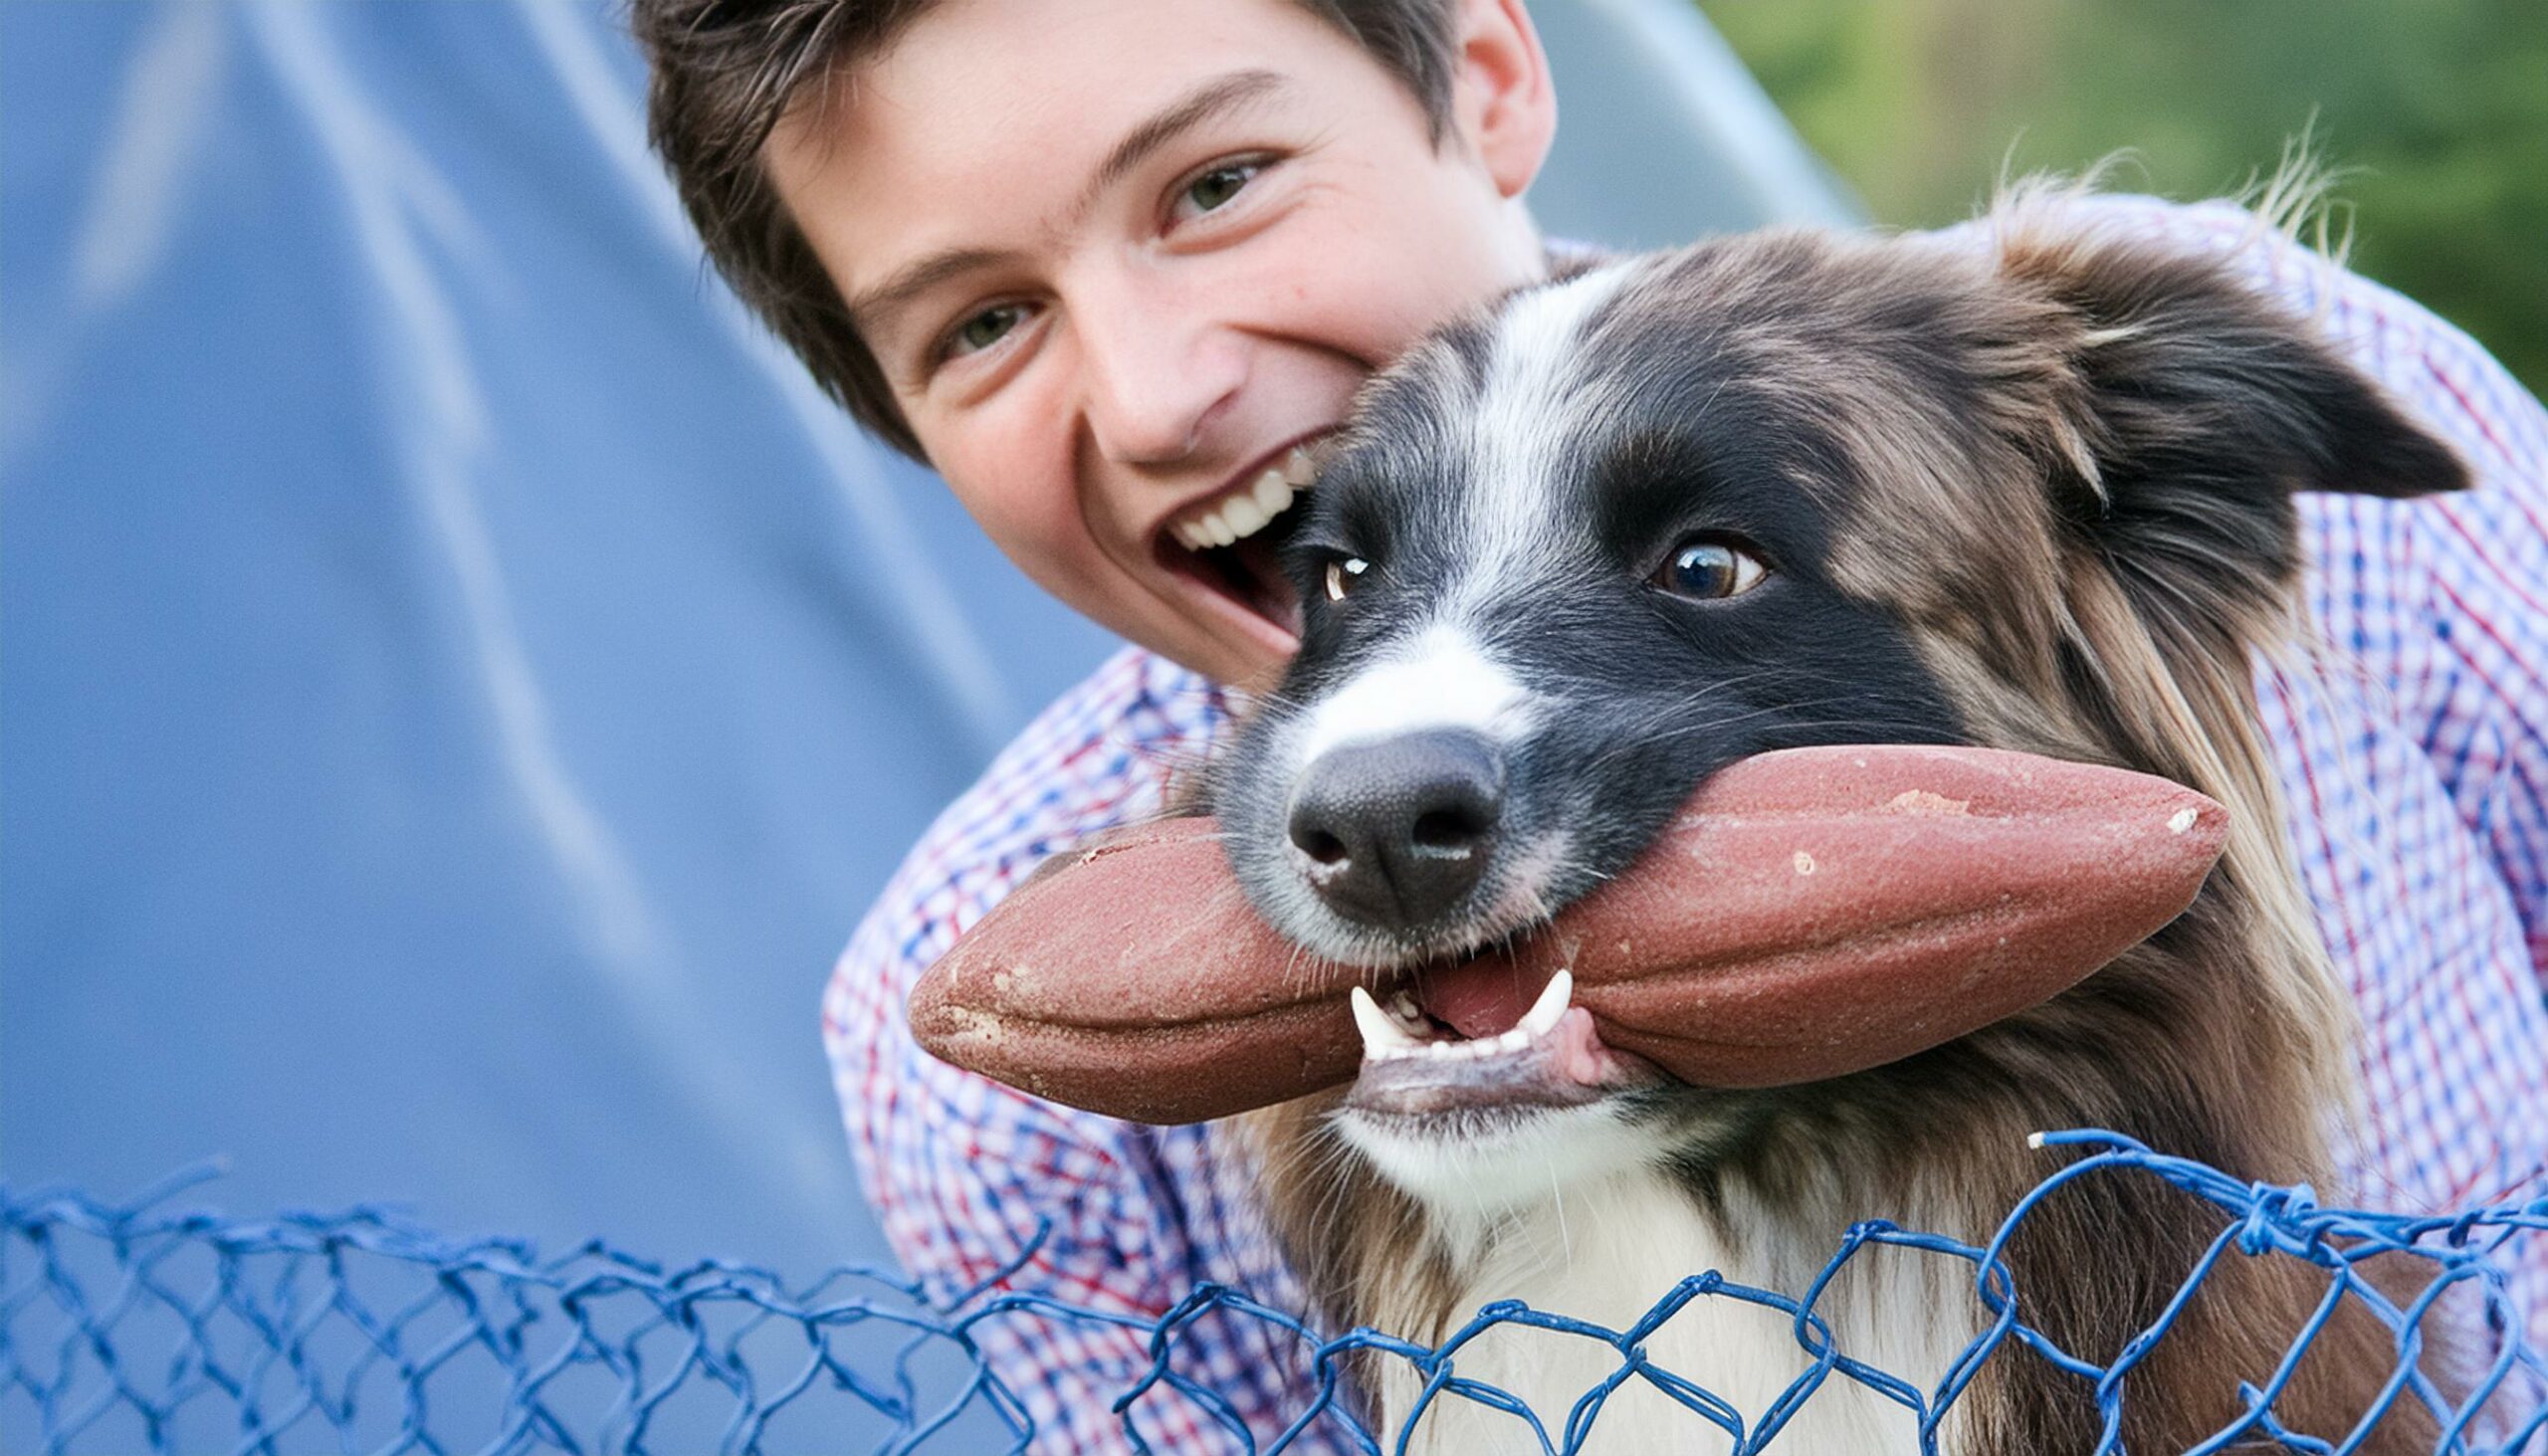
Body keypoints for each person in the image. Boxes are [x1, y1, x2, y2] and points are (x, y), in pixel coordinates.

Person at [633, 0, 2548, 1446]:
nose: (1158, 397)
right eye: (979, 323)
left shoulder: (2137, 432)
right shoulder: (1001, 1067)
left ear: (1484, 75)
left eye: (1215, 186)